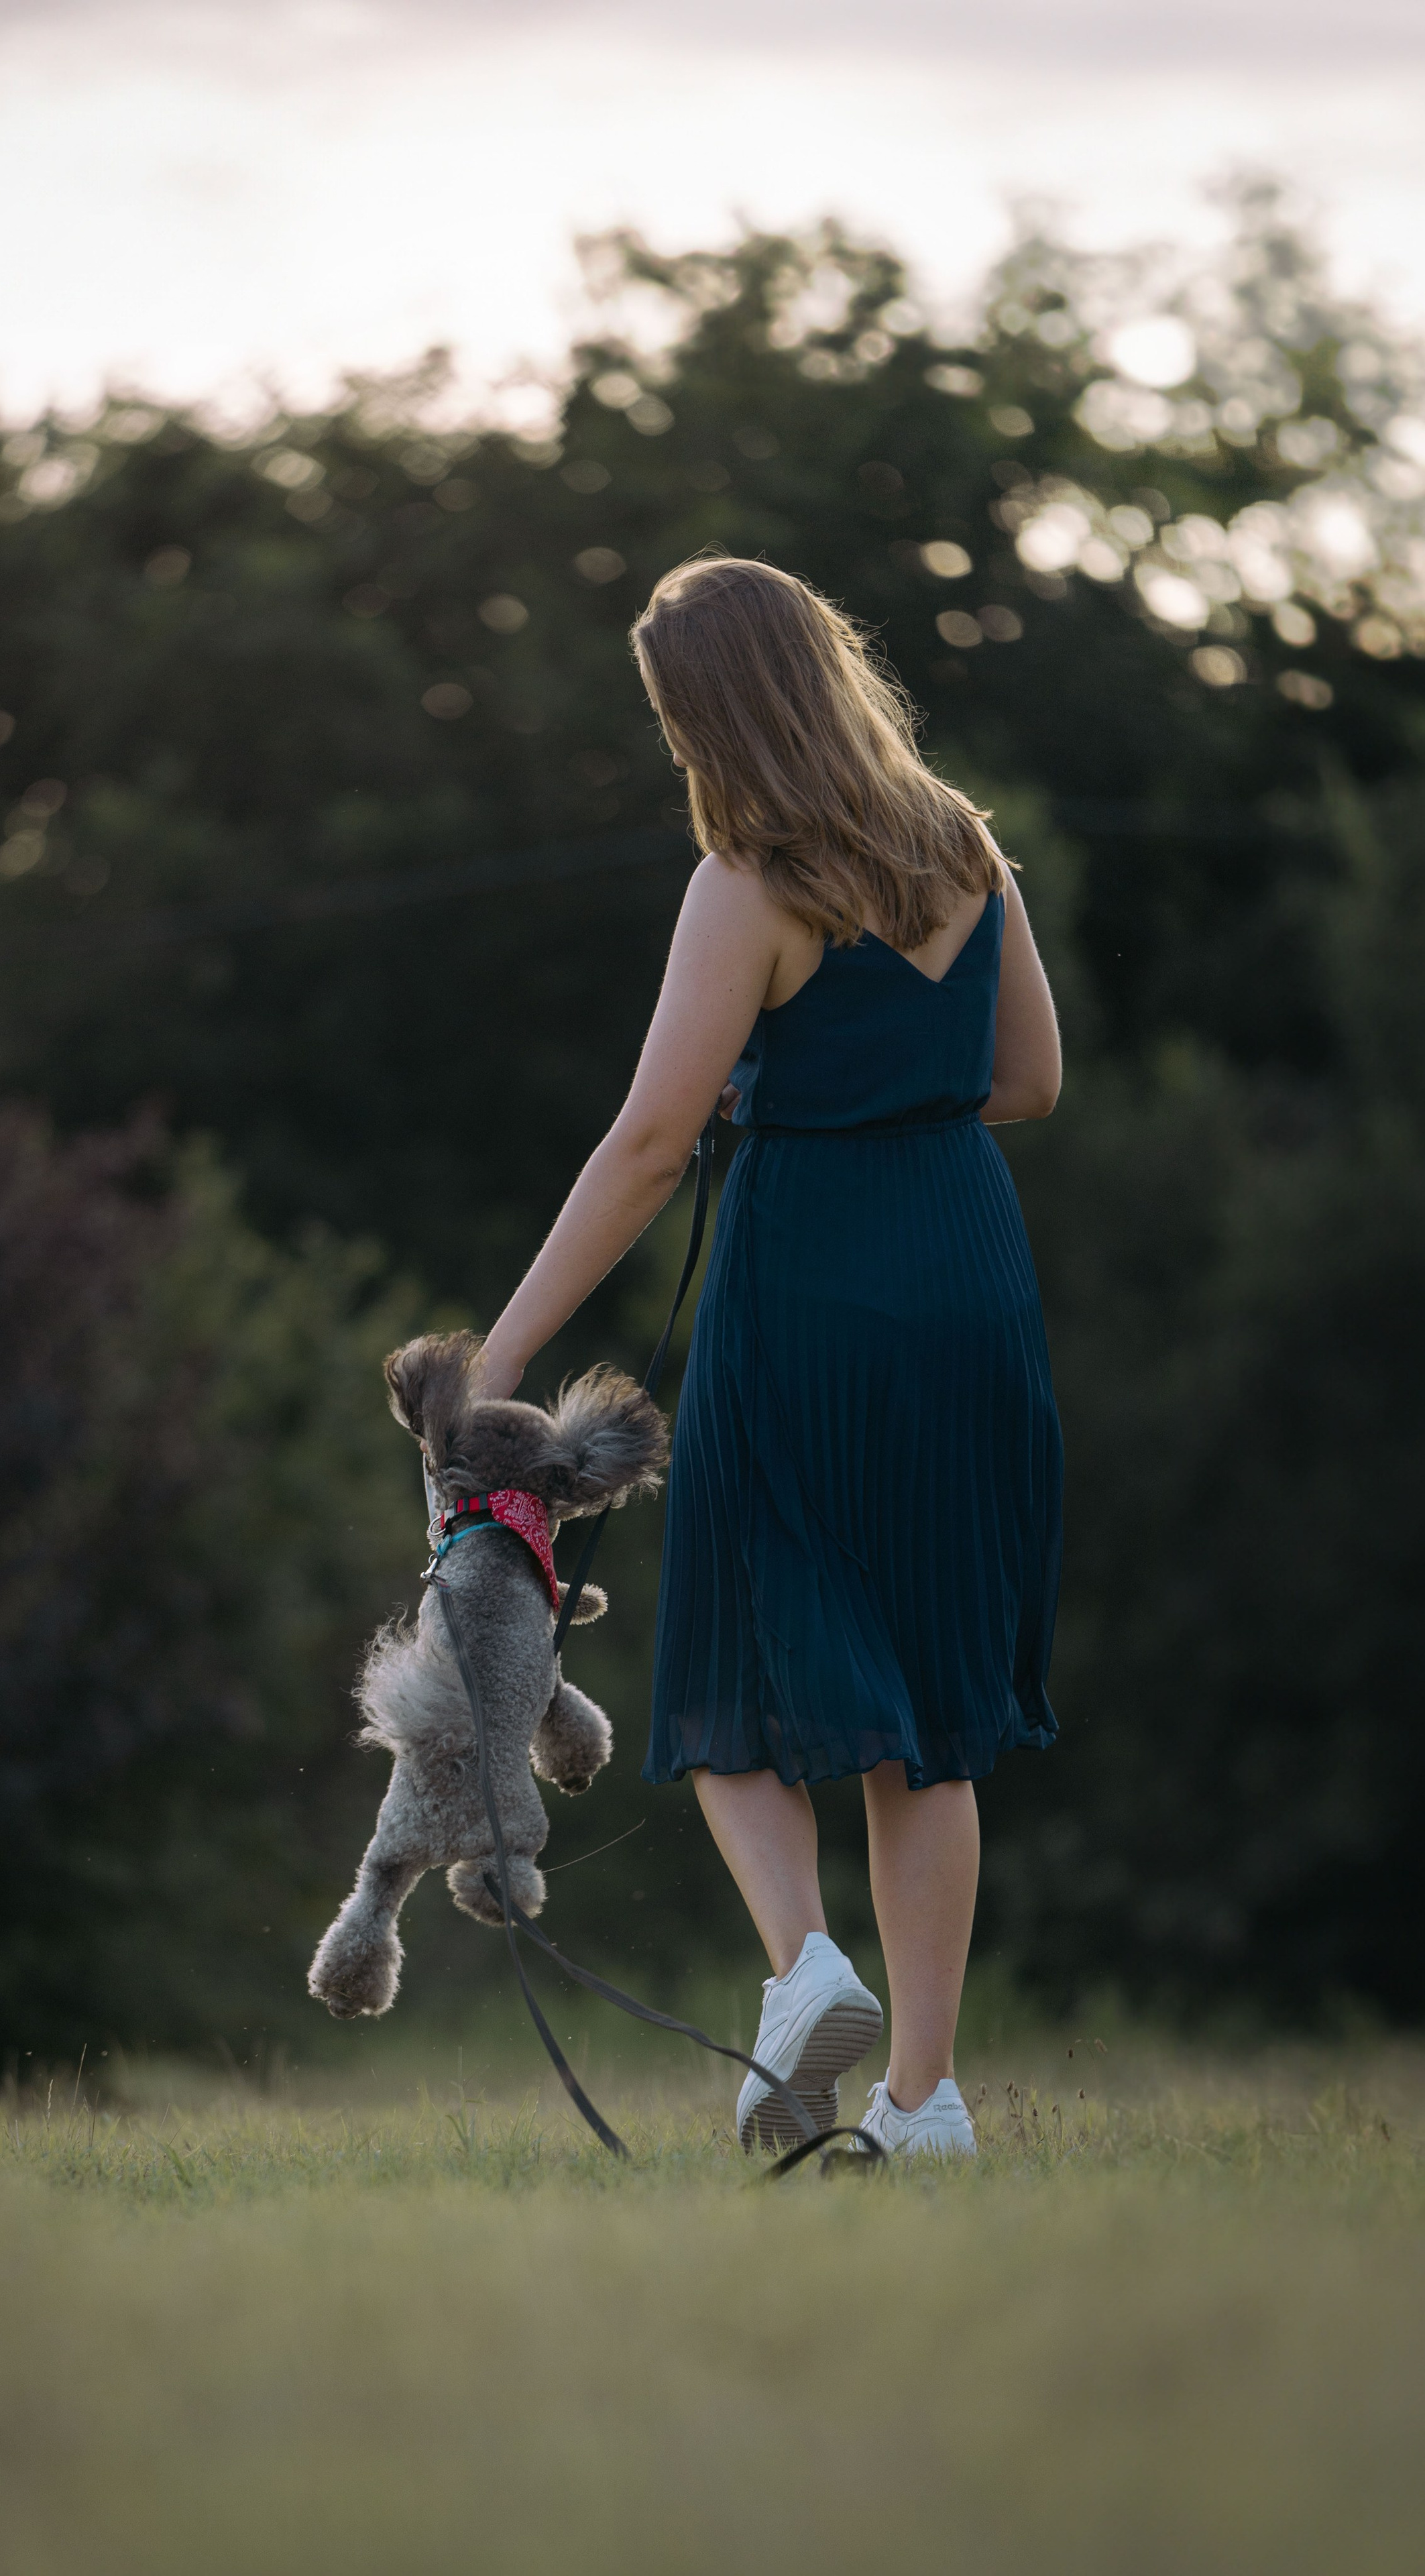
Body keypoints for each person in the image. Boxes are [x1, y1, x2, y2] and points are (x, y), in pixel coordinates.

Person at [477, 556, 1063, 2160]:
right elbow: (1026, 1082)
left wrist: (503, 1352)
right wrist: (845, 1083)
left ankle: (801, 1971)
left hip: (808, 1284)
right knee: (929, 1711)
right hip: (965, 1276)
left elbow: (650, 1139)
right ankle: (925, 2103)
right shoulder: (964, 848)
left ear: (701, 716)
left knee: (735, 1650)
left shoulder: (747, 881)